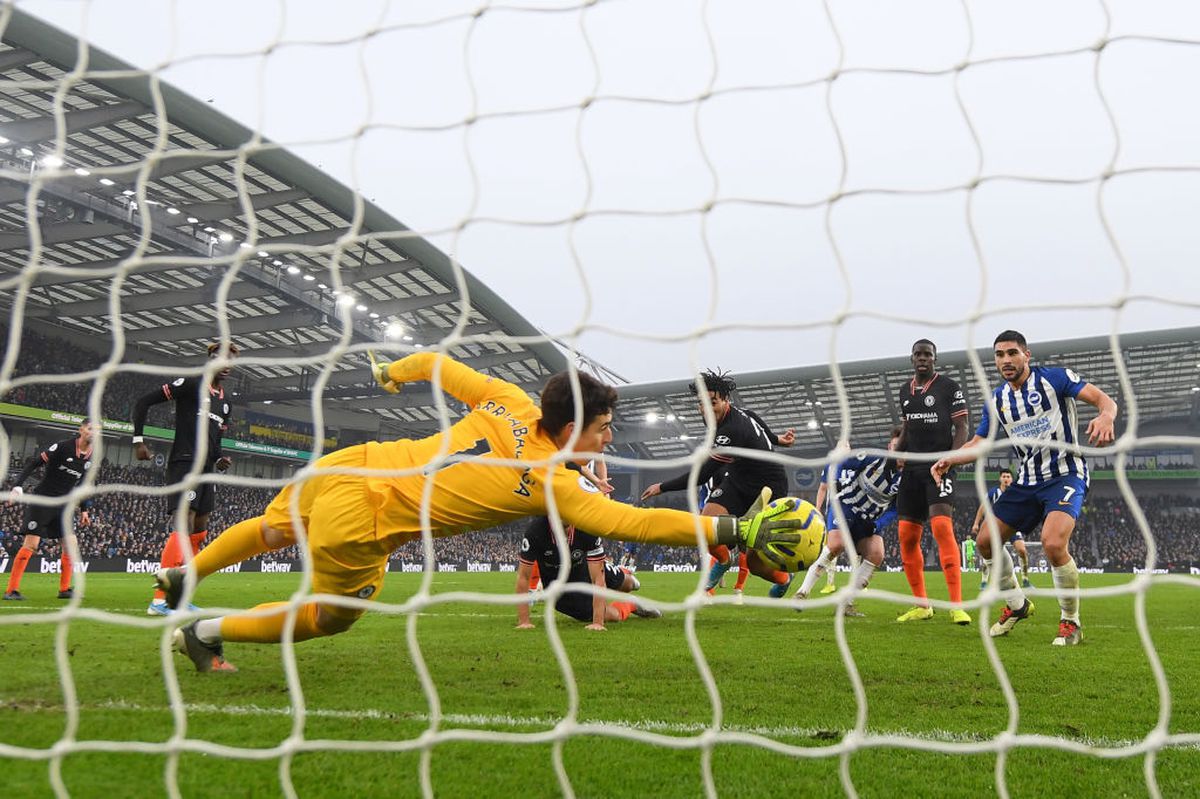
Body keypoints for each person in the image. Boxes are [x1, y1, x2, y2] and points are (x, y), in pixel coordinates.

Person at [158, 352, 802, 672]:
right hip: (367, 523)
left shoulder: (509, 400)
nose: (609, 438)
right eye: (604, 428)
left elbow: (438, 365)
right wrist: (732, 528)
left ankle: (188, 574)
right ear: (573, 426)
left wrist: (392, 373)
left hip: (356, 463)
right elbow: (631, 523)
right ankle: (207, 632)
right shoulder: (553, 481)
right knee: (330, 619)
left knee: (272, 527)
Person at [933, 330, 1117, 646]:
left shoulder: (1055, 379)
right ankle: (1018, 606)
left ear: (1026, 355)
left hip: (1065, 474)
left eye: (1012, 353)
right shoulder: (997, 400)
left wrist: (1106, 416)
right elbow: (979, 442)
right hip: (1026, 480)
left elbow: (1104, 399)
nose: (1006, 360)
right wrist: (952, 458)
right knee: (985, 542)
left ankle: (1071, 622)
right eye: (1000, 355)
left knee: (1053, 542)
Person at [640, 370, 793, 598]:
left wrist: (662, 487)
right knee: (705, 527)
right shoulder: (741, 414)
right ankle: (723, 559)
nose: (707, 409)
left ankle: (783, 579)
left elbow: (701, 476)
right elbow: (758, 422)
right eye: (702, 404)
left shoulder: (730, 432)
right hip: (740, 478)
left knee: (754, 563)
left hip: (768, 487)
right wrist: (778, 439)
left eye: (713, 403)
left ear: (725, 401)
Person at [132, 342, 238, 616]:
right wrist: (138, 440)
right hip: (185, 462)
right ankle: (158, 600)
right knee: (185, 522)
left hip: (206, 468)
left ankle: (178, 597)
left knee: (200, 530)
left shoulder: (225, 402)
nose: (226, 364)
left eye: (231, 360)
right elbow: (143, 401)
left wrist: (220, 458)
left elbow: (217, 438)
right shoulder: (192, 384)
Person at [894, 339, 971, 625]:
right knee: (906, 536)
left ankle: (956, 605)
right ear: (911, 358)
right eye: (918, 354)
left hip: (939, 468)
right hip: (912, 470)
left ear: (935, 358)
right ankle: (922, 605)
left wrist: (950, 460)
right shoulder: (904, 390)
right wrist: (895, 456)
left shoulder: (949, 387)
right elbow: (906, 429)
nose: (922, 358)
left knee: (941, 527)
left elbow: (962, 426)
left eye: (927, 354)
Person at [792, 428, 903, 616]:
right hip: (846, 505)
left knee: (876, 554)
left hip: (869, 518)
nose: (899, 452)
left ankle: (846, 604)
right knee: (836, 545)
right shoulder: (873, 457)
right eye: (895, 447)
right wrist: (836, 482)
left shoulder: (907, 478)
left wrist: (879, 524)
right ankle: (802, 593)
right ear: (889, 447)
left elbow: (895, 508)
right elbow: (843, 462)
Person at [4, 420, 98, 600]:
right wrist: (17, 486)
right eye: (90, 428)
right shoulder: (63, 447)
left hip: (64, 506)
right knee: (31, 545)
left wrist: (84, 509)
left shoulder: (92, 458)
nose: (93, 432)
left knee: (71, 546)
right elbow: (34, 463)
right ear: (81, 429)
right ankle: (11, 590)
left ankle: (64, 590)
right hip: (43, 501)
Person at [515, 516, 660, 630]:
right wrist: (524, 621)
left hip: (586, 566)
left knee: (629, 584)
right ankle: (631, 603)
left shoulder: (586, 528)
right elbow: (523, 577)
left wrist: (598, 624)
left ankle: (622, 572)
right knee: (612, 616)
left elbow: (598, 578)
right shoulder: (535, 531)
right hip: (561, 590)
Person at [971, 468, 1033, 589]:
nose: (1006, 479)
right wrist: (976, 523)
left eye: (1008, 477)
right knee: (989, 552)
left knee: (1022, 550)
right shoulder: (993, 492)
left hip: (1013, 526)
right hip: (996, 527)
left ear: (1011, 479)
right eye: (1004, 476)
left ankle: (1025, 580)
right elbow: (982, 507)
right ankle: (984, 582)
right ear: (1000, 479)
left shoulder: (1016, 492)